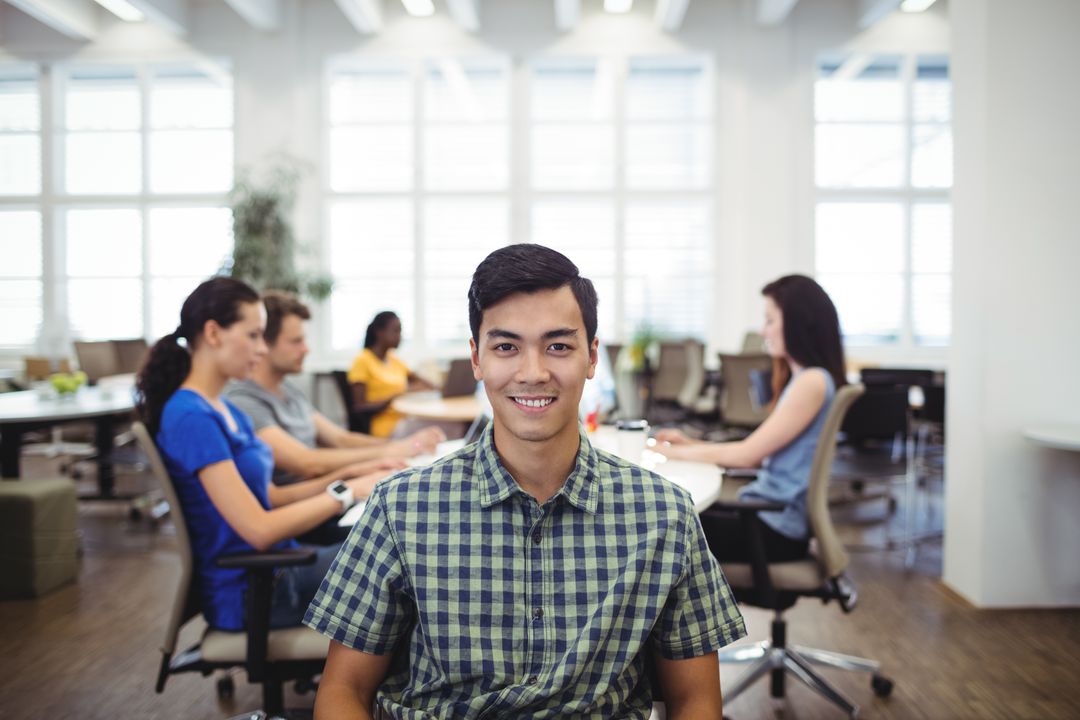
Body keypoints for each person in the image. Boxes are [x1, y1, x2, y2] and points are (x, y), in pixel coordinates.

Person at [305, 245, 746, 719]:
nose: (533, 373)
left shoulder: (665, 515)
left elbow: (695, 700)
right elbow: (344, 691)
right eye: (506, 347)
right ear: (477, 359)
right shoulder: (401, 508)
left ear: (592, 356)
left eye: (558, 346)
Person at [135, 277, 392, 631]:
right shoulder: (191, 417)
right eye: (253, 335)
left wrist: (354, 475)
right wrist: (349, 492)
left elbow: (271, 497)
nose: (261, 349)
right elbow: (258, 529)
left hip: (281, 564)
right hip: (257, 589)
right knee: (403, 556)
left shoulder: (224, 408)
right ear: (213, 334)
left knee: (392, 539)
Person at [653, 274, 846, 563]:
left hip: (772, 530)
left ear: (797, 323)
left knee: (657, 527)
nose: (763, 331)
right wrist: (689, 443)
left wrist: (671, 452)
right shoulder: (807, 380)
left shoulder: (812, 382)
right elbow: (756, 453)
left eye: (770, 320)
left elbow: (747, 456)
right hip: (765, 515)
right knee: (669, 516)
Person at [225, 291, 445, 490]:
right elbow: (307, 462)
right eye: (296, 341)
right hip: (311, 505)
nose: (306, 348)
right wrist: (392, 451)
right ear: (265, 343)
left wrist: (403, 445)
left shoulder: (287, 390)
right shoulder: (244, 400)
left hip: (331, 492)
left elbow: (341, 439)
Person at [346, 311, 435, 438]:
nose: (400, 336)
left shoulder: (394, 360)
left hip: (405, 419)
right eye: (396, 331)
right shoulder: (362, 361)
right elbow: (359, 407)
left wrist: (438, 387)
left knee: (447, 426)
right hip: (385, 428)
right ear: (379, 332)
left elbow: (419, 380)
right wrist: (398, 395)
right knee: (447, 428)